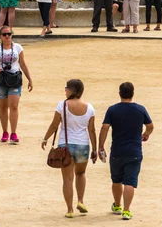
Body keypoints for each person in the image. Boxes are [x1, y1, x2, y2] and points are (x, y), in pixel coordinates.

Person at [41, 79, 97, 219]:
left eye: (66, 88)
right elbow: (92, 130)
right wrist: (95, 149)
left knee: (67, 179)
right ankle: (81, 201)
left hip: (65, 146)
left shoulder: (62, 105)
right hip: (83, 144)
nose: (65, 90)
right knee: (81, 174)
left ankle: (70, 209)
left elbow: (54, 125)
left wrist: (45, 138)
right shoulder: (90, 108)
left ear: (71, 90)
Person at [99, 82, 154, 221]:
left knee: (116, 180)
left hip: (117, 151)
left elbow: (105, 128)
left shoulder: (112, 110)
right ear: (133, 94)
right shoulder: (140, 109)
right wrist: (146, 134)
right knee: (130, 182)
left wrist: (100, 146)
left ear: (119, 94)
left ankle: (117, 205)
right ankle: (127, 210)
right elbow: (150, 125)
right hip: (134, 151)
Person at [0, 26, 33, 144]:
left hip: (14, 79)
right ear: (0, 36)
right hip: (1, 80)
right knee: (3, 107)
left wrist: (30, 79)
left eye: (9, 34)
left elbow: (23, 64)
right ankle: (5, 131)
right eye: (4, 34)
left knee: (14, 106)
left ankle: (13, 132)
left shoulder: (18, 47)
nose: (7, 36)